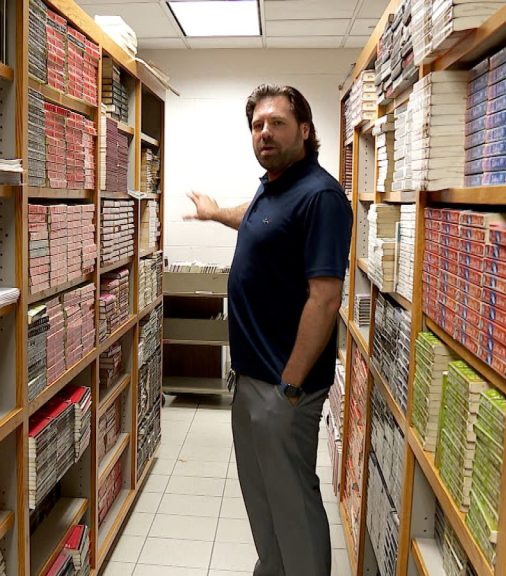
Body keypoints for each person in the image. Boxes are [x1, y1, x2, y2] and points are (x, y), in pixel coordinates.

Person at [186, 84, 352, 575]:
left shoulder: (321, 196)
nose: (265, 132)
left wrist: (291, 386)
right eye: (258, 125)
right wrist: (216, 212)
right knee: (261, 497)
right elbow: (258, 219)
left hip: (285, 386)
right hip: (252, 378)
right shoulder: (273, 185)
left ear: (304, 130)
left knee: (293, 503)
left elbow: (325, 299)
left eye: (277, 123)